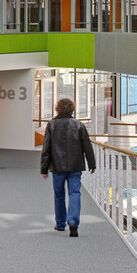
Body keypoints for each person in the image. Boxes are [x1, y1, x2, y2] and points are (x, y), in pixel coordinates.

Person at [40, 97, 96, 237]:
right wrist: (92, 164)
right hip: (75, 165)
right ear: (72, 109)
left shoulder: (51, 125)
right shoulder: (78, 125)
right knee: (74, 193)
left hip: (57, 166)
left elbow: (46, 148)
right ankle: (73, 223)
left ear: (57, 108)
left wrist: (44, 168)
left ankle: (60, 224)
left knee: (59, 195)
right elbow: (87, 146)